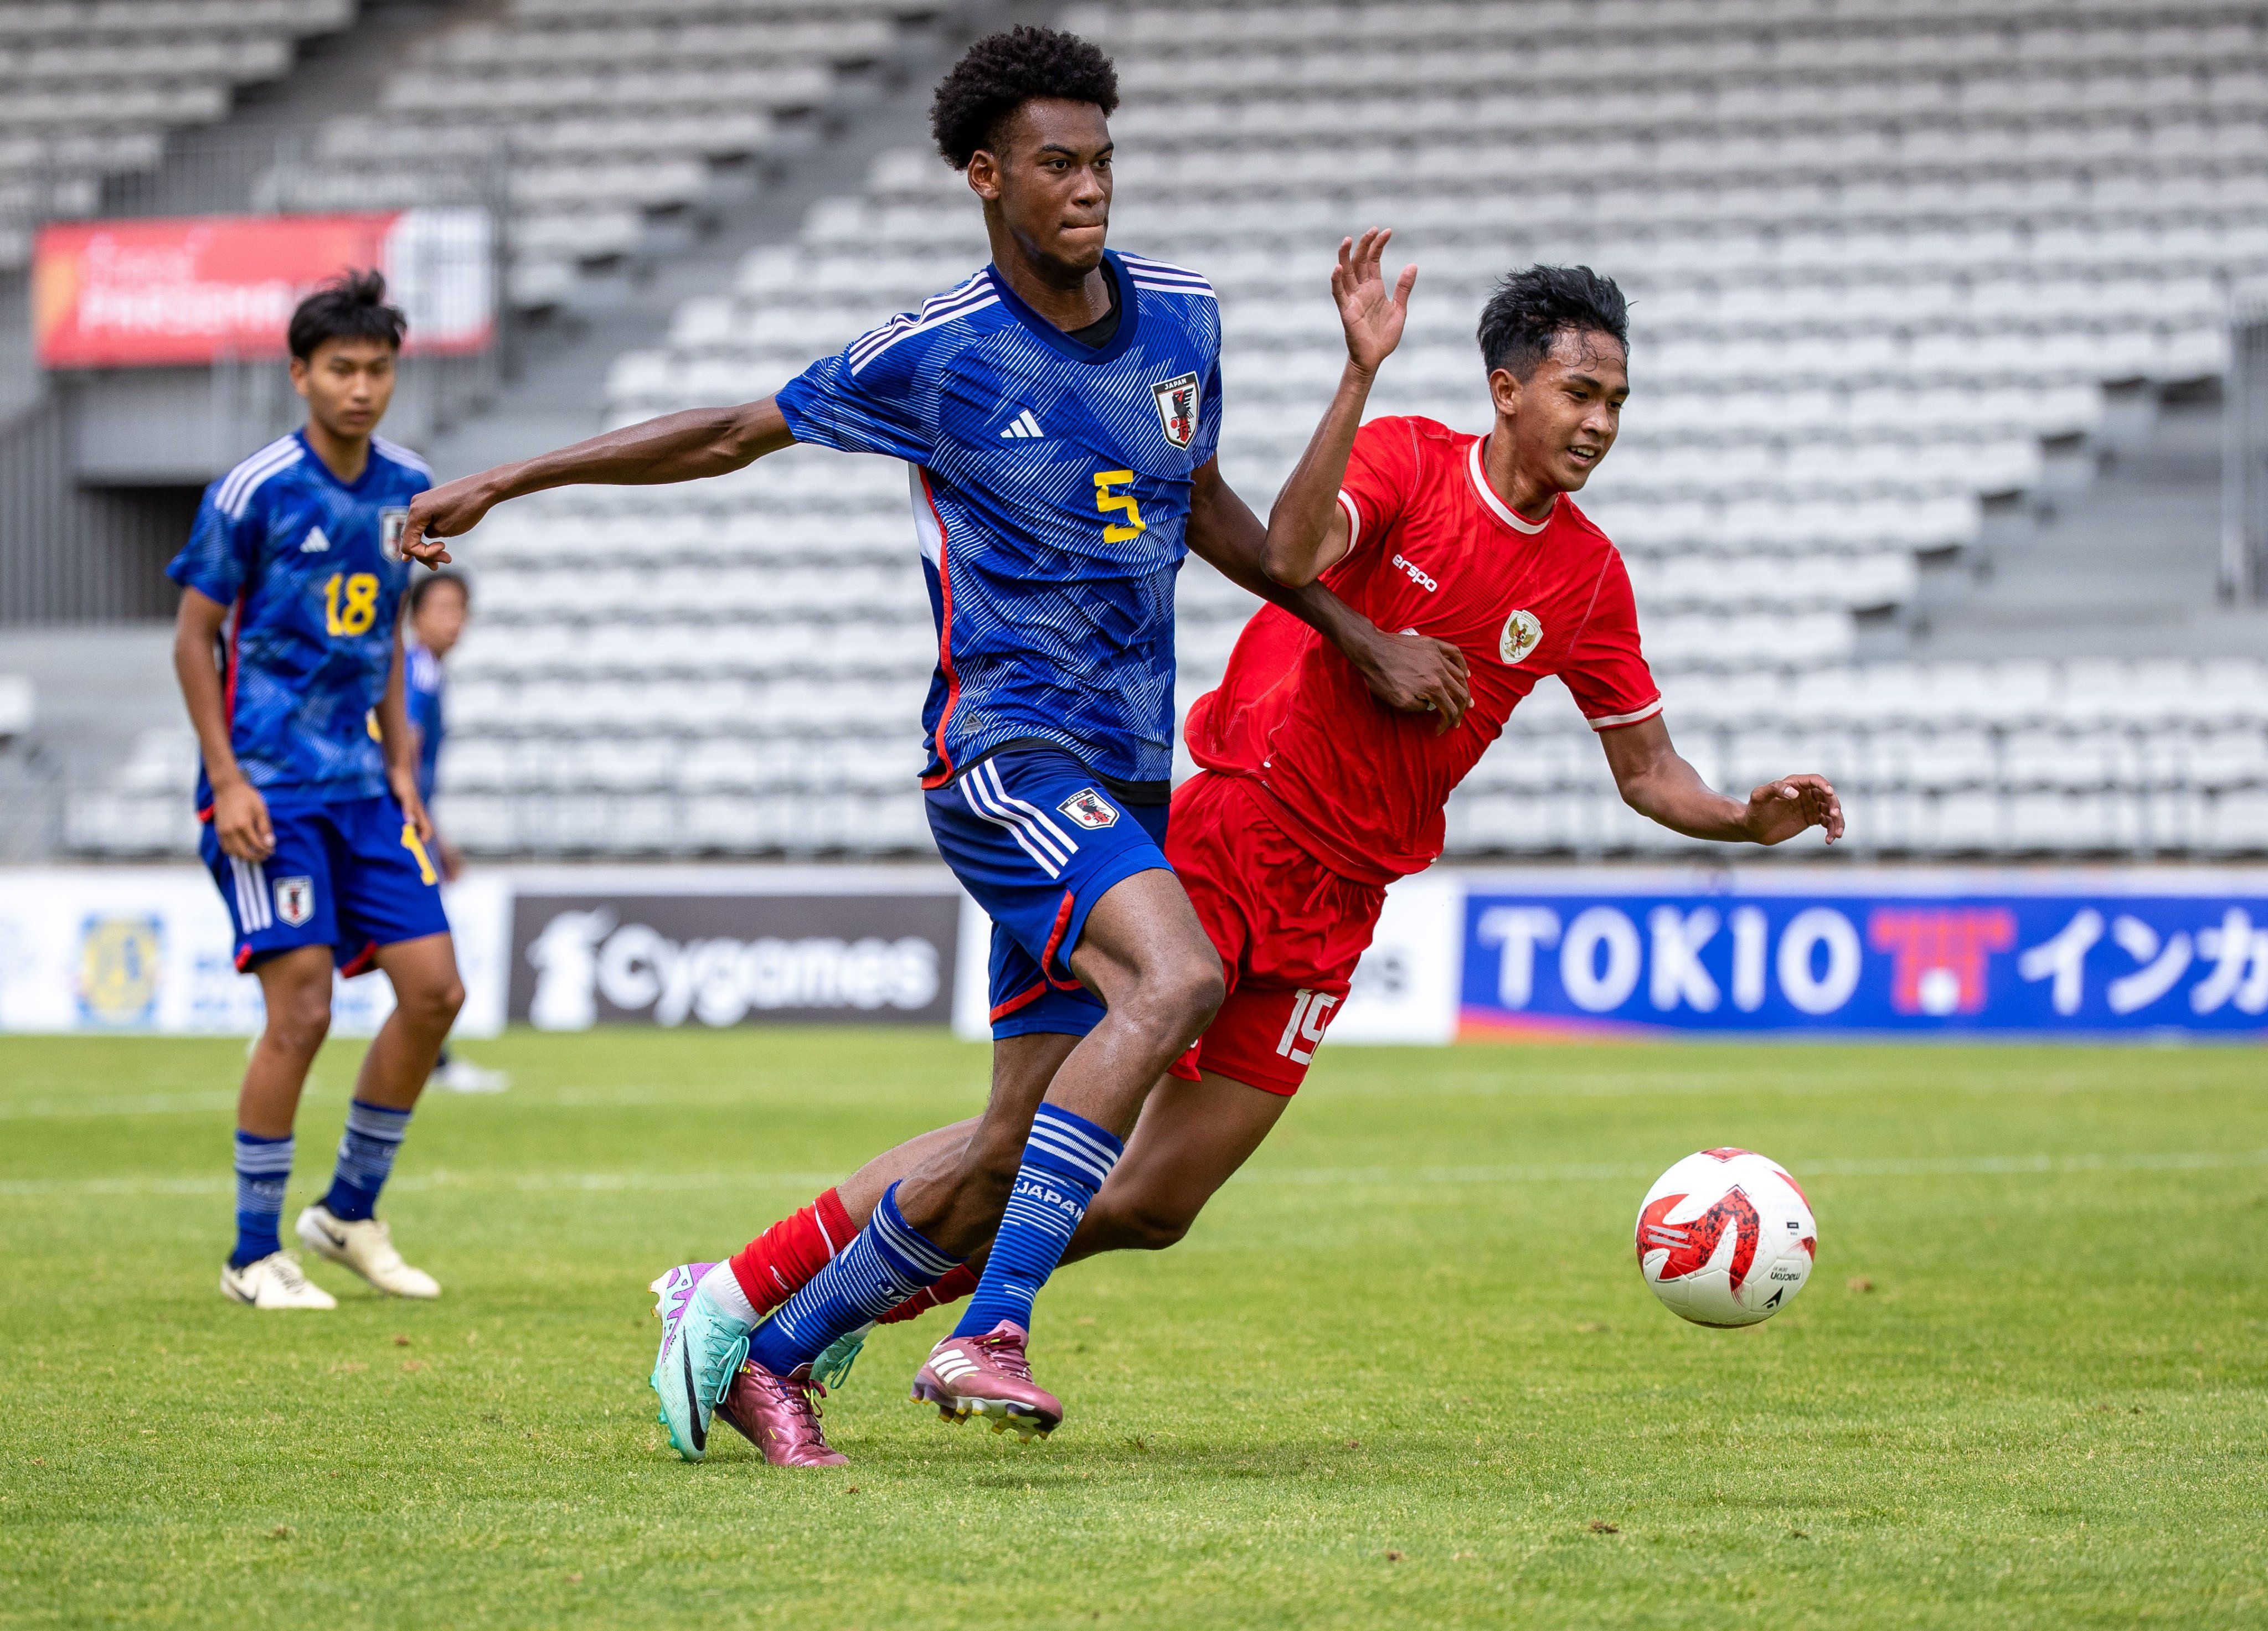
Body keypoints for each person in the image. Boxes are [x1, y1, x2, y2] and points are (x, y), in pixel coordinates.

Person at [396, 28, 1465, 1460]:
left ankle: (760, 1345)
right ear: (985, 176)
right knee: (1184, 974)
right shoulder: (938, 349)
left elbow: (1202, 504)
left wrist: (1349, 627)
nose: (1089, 188)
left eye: (1102, 160)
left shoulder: (1186, 319)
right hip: (1004, 755)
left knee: (1007, 1149)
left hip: (1124, 774)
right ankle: (992, 1329)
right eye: (1056, 164)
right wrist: (509, 478)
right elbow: (725, 432)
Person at [680, 247, 1847, 1465]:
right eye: (1578, 396)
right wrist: (1353, 374)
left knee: (1150, 1203)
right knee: (1016, 1137)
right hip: (1233, 834)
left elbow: (1648, 773)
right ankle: (844, 1310)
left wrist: (1742, 817)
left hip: (1341, 904)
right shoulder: (1403, 455)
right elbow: (1286, 557)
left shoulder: (1589, 576)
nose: (1599, 424)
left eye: (1614, 403)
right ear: (1507, 392)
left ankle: (830, 1314)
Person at [169, 269, 464, 1310]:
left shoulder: (408, 485)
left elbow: (384, 628)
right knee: (301, 1010)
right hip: (271, 792)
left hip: (363, 787)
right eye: (341, 368)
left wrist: (399, 768)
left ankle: (347, 1211)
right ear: (301, 374)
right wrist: (226, 777)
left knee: (436, 991)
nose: (361, 388)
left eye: (379, 369)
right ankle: (254, 1252)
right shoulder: (255, 491)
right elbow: (196, 635)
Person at [403, 571, 510, 1095]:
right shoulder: (415, 673)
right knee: (429, 946)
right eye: (444, 608)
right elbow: (405, 751)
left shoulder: (428, 672)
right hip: (398, 826)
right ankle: (437, 1064)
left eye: (461, 610)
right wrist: (424, 831)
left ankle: (277, 1030)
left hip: (406, 822)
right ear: (415, 616)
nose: (455, 621)